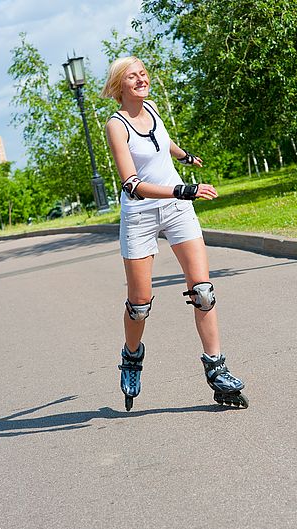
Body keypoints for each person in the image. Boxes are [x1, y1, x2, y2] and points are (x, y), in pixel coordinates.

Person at [101, 56, 248, 411]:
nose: (141, 79)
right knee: (139, 305)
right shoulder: (115, 125)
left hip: (176, 208)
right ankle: (132, 356)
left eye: (143, 74)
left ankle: (217, 369)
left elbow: (161, 142)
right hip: (140, 214)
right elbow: (132, 185)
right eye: (132, 76)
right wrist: (184, 190)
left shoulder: (152, 109)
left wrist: (184, 157)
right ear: (120, 85)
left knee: (203, 291)